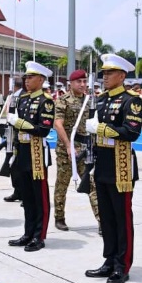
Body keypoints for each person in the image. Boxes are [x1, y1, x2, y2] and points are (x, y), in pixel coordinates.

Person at [84, 53, 142, 283]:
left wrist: (101, 128)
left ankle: (122, 264)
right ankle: (109, 260)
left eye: (109, 73)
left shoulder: (132, 100)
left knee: (121, 217)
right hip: (102, 164)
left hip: (121, 166)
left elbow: (131, 132)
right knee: (106, 218)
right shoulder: (100, 99)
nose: (105, 77)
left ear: (122, 75)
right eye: (104, 73)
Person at [6, 62, 55, 252]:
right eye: (26, 77)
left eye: (30, 77)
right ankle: (28, 233)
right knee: (26, 196)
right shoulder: (23, 99)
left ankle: (39, 235)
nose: (26, 80)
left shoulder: (46, 101)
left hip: (36, 153)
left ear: (41, 80)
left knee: (39, 196)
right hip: (23, 151)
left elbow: (42, 129)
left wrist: (20, 123)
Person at [53, 69, 100, 232]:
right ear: (71, 84)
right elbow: (57, 124)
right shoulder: (63, 100)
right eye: (78, 82)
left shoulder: (90, 100)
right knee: (62, 184)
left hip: (85, 149)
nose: (82, 84)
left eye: (84, 81)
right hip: (67, 149)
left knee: (92, 185)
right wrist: (68, 145)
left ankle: (102, 221)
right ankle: (59, 217)